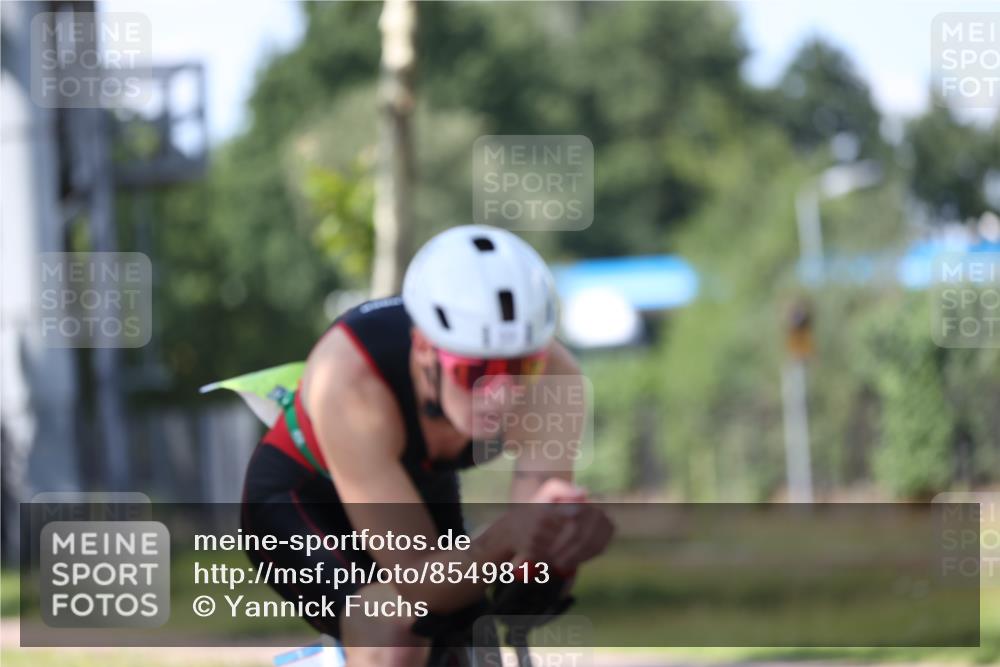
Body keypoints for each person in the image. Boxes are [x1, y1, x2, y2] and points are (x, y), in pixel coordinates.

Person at [241, 225, 613, 666]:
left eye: (521, 370)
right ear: (423, 349)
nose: (501, 394)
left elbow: (526, 573)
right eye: (474, 373)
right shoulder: (349, 378)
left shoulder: (556, 377)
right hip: (302, 495)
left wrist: (555, 555)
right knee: (393, 634)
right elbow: (418, 586)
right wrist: (505, 536)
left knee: (470, 647)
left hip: (419, 485)